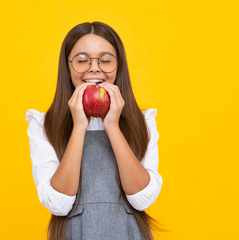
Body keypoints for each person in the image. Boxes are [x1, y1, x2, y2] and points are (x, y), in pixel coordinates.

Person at [25, 21, 166, 240]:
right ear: (67, 66)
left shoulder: (143, 122)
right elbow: (58, 204)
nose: (94, 67)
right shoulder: (44, 125)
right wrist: (79, 126)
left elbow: (143, 198)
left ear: (118, 66)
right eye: (82, 60)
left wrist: (113, 126)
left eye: (106, 60)